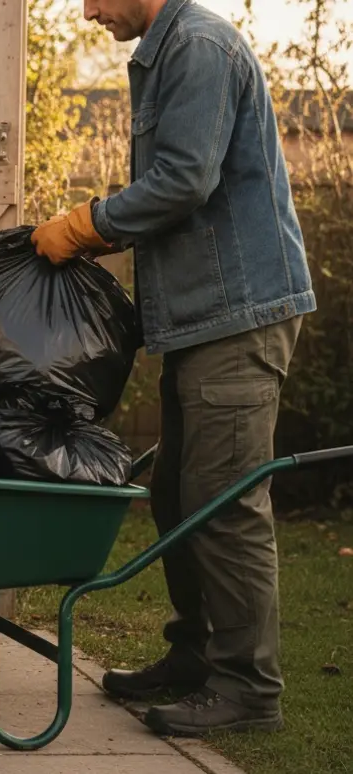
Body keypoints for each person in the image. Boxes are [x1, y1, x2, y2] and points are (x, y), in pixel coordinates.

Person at [30, 0, 314, 738]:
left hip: (241, 312)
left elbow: (186, 179)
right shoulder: (167, 51)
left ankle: (250, 689)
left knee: (223, 502)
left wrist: (88, 223)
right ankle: (196, 658)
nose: (88, 10)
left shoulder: (199, 47)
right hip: (202, 316)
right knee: (176, 498)